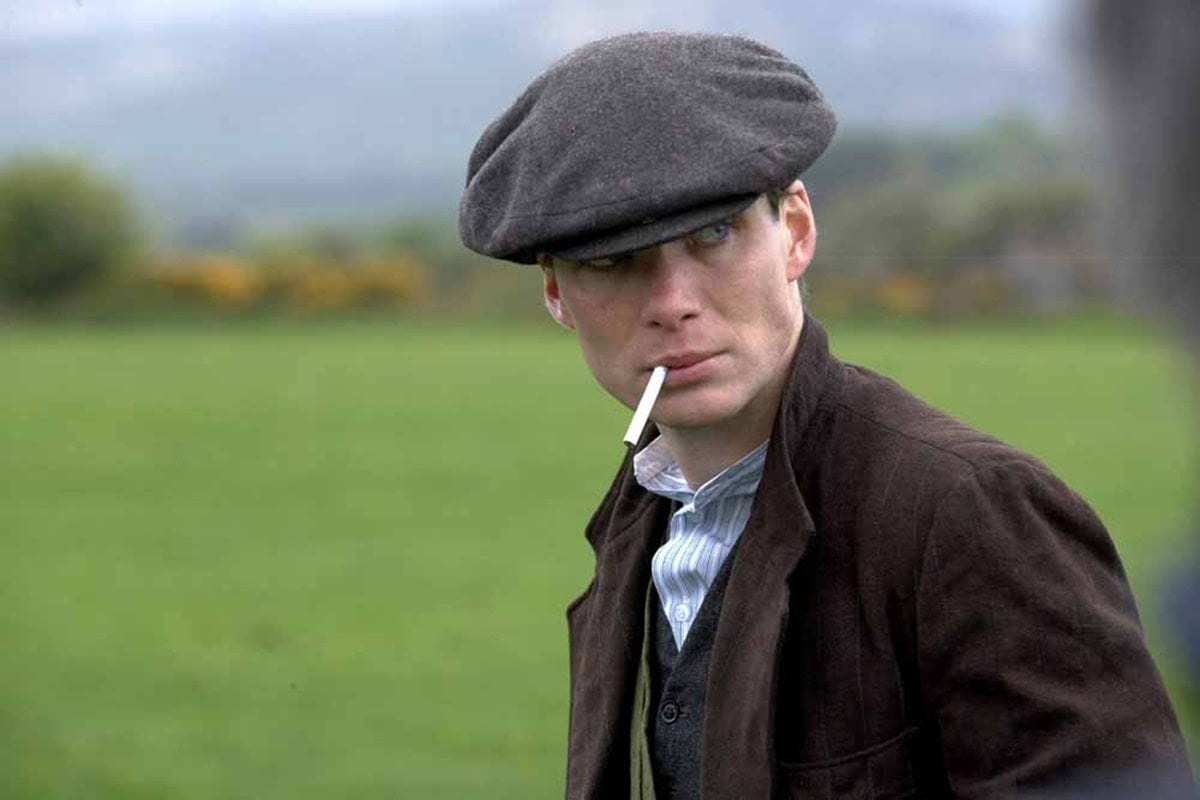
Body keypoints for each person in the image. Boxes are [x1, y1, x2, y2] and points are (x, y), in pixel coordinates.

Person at [458, 32, 1191, 799]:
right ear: (555, 293)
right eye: (613, 260)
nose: (673, 303)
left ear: (797, 232)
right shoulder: (639, 516)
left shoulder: (971, 511)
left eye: (714, 234)